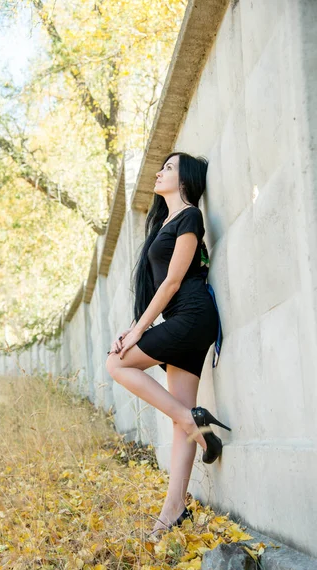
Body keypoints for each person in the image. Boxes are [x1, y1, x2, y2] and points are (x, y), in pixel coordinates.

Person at [105, 151, 230, 537]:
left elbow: (173, 282)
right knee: (181, 418)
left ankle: (192, 420)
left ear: (186, 178)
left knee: (117, 364)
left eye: (169, 168)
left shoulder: (190, 216)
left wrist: (139, 331)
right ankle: (172, 510)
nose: (160, 173)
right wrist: (132, 326)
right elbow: (152, 289)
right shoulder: (164, 224)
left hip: (192, 317)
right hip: (182, 322)